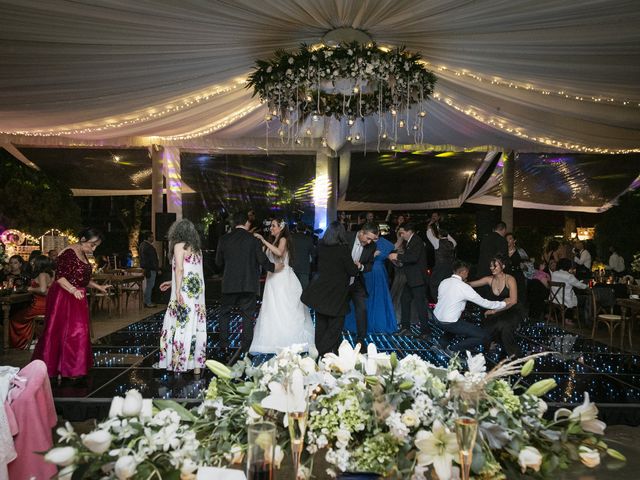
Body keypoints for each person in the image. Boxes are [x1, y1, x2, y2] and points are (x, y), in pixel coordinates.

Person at [32, 227, 109, 379]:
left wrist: (98, 286)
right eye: (92, 245)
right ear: (82, 240)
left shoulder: (82, 253)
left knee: (79, 331)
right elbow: (60, 277)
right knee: (69, 331)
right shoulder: (69, 253)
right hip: (64, 295)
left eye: (96, 246)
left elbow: (82, 279)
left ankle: (73, 367)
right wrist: (73, 290)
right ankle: (63, 367)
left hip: (77, 294)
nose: (93, 248)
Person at [215, 211, 282, 360]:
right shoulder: (253, 240)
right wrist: (275, 268)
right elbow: (263, 262)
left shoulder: (224, 239)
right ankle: (246, 350)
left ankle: (224, 347)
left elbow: (218, 263)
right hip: (248, 284)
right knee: (247, 317)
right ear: (247, 223)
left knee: (225, 315)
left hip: (229, 284)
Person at [250, 218, 315, 353]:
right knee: (271, 309)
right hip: (272, 279)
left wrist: (263, 240)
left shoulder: (283, 239)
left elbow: (279, 252)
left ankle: (287, 339)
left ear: (281, 227)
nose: (271, 228)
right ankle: (272, 339)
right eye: (271, 226)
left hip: (283, 279)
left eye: (273, 226)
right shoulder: (273, 240)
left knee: (284, 308)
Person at [301, 221, 360, 356]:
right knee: (335, 327)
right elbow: (352, 271)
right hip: (337, 293)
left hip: (320, 290)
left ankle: (319, 354)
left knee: (321, 326)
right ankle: (322, 353)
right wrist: (357, 266)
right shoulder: (343, 249)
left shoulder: (321, 246)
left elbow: (316, 265)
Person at [156, 219, 207, 374]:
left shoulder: (179, 246)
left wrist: (177, 290)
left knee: (180, 324)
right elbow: (191, 272)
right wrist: (171, 283)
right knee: (195, 325)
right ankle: (196, 366)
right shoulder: (197, 250)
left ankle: (179, 362)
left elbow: (180, 269)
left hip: (184, 292)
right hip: (197, 294)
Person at [433, 261, 507, 354]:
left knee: (456, 322)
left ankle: (440, 344)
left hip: (436, 318)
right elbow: (484, 303)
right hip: (449, 322)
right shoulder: (464, 287)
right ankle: (452, 349)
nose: (468, 275)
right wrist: (502, 304)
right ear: (463, 272)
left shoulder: (444, 281)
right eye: (467, 272)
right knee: (483, 336)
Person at [468, 254, 523, 357]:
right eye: (491, 266)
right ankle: (491, 348)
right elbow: (472, 284)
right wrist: (458, 281)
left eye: (495, 266)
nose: (492, 268)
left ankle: (515, 357)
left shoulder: (510, 279)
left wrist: (494, 311)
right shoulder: (489, 279)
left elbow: (513, 301)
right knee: (486, 329)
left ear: (503, 266)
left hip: (510, 310)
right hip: (497, 310)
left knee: (504, 327)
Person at [345, 235, 397, 334]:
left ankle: (374, 323)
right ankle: (362, 324)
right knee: (364, 297)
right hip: (367, 273)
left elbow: (393, 249)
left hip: (377, 273)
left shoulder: (384, 243)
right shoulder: (369, 243)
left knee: (377, 297)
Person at [388, 222, 431, 338]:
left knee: (420, 305)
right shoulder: (410, 242)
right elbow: (409, 260)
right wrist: (398, 261)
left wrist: (397, 256)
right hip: (412, 278)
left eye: (402, 232)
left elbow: (413, 258)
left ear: (409, 231)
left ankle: (425, 332)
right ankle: (405, 328)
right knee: (404, 300)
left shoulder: (416, 241)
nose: (401, 235)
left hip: (418, 279)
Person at [344, 223, 379, 346]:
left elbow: (369, 265)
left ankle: (360, 340)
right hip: (341, 281)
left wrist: (361, 266)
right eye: (368, 238)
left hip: (357, 282)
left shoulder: (372, 246)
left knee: (362, 309)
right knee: (339, 308)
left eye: (372, 239)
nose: (369, 242)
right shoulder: (346, 237)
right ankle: (335, 337)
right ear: (361, 232)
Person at [10, 255, 54, 349]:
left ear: (40, 264)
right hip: (46, 305)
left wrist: (30, 288)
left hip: (38, 306)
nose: (32, 264)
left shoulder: (42, 274)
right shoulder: (49, 274)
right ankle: (34, 340)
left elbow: (43, 290)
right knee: (22, 315)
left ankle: (24, 343)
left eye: (35, 262)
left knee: (15, 318)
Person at [427, 223, 456, 301]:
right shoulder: (453, 243)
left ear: (439, 236)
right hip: (450, 268)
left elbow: (429, 235)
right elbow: (451, 239)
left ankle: (438, 301)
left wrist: (429, 227)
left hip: (440, 268)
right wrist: (446, 233)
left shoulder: (437, 242)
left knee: (434, 285)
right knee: (447, 286)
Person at [289, 222, 315, 290]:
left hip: (292, 267)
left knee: (292, 290)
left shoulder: (291, 238)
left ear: (296, 228)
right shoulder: (309, 239)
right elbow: (313, 254)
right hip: (304, 268)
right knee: (304, 290)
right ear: (305, 229)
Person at [139, 231, 160, 308]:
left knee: (148, 285)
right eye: (152, 237)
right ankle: (148, 302)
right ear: (148, 237)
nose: (153, 238)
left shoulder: (142, 245)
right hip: (150, 269)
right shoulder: (148, 247)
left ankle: (146, 301)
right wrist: (157, 269)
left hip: (145, 268)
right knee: (150, 285)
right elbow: (152, 260)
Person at [505, 233, 527, 305]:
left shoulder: (520, 251)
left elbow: (528, 265)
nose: (508, 241)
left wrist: (523, 267)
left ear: (514, 241)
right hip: (506, 276)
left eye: (510, 239)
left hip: (518, 276)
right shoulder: (503, 251)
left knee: (519, 297)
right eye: (506, 239)